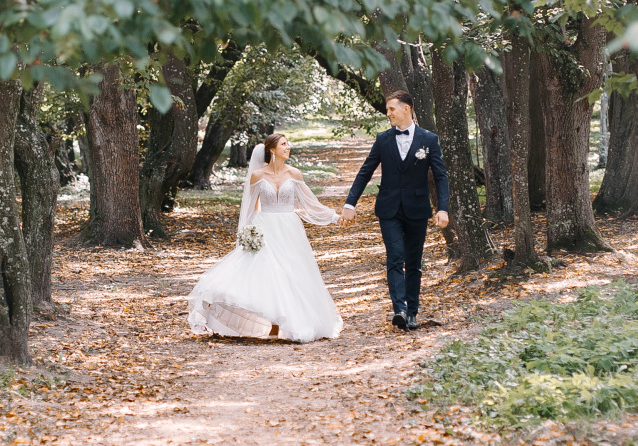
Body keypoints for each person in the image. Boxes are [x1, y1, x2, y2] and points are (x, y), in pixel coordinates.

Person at [188, 131, 343, 342]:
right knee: (270, 273)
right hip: (265, 226)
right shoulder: (258, 176)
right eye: (284, 144)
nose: (288, 147)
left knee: (291, 272)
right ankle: (272, 324)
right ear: (272, 150)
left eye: (288, 144)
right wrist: (248, 234)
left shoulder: (294, 173)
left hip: (289, 228)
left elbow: (310, 203)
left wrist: (335, 217)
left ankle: (291, 322)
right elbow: (250, 209)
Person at [339, 91, 448, 331]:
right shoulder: (383, 139)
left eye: (391, 109)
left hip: (417, 209)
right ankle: (399, 309)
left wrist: (443, 208)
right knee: (395, 256)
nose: (388, 113)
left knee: (414, 262)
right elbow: (365, 171)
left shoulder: (429, 140)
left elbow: (440, 176)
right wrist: (350, 203)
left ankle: (412, 313)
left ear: (406, 108)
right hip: (389, 209)